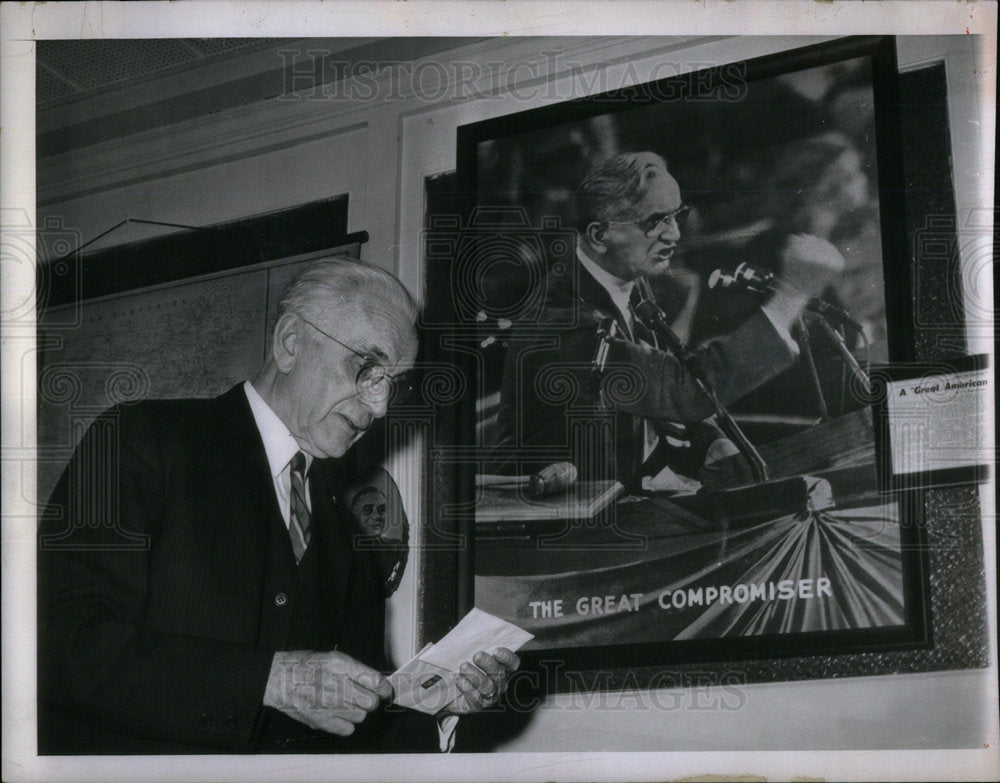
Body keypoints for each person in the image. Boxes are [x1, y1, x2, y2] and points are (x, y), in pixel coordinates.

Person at [37, 258, 519, 754]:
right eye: (367, 368)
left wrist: (437, 704)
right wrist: (269, 681)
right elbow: (57, 645)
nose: (380, 408)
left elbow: (349, 728)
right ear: (291, 343)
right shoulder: (141, 441)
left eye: (393, 383)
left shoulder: (341, 526)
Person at [489, 151, 846, 490]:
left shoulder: (627, 276)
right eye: (655, 221)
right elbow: (685, 388)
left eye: (677, 215)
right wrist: (791, 294)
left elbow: (667, 383)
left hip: (620, 495)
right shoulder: (564, 322)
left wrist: (710, 441)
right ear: (600, 235)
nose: (674, 234)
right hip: (554, 524)